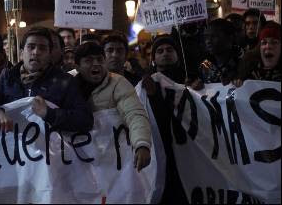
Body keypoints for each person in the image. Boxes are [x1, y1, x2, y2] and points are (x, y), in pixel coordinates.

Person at [0, 27, 93, 133]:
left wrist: (49, 114)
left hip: (49, 155)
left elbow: (85, 120)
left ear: (50, 54)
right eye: (31, 47)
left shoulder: (65, 82)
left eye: (42, 48)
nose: (36, 52)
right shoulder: (8, 77)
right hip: (13, 155)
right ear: (22, 52)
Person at [74, 42, 151, 172]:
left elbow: (134, 114)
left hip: (114, 163)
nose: (96, 63)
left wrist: (141, 144)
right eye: (88, 60)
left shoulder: (118, 83)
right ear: (77, 67)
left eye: (100, 59)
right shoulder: (69, 87)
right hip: (82, 166)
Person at [140, 34, 188, 203]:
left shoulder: (190, 78)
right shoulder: (146, 83)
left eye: (169, 50)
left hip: (188, 150)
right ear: (153, 59)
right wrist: (153, 96)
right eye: (159, 51)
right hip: (162, 150)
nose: (165, 53)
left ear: (177, 54)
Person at [198, 19, 243, 85]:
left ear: (230, 38)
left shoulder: (244, 63)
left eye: (214, 36)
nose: (208, 41)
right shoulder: (205, 66)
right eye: (206, 37)